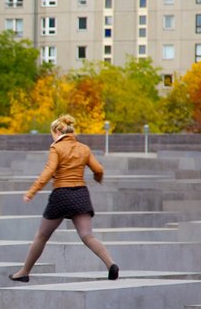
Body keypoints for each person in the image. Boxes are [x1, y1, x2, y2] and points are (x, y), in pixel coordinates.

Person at [10, 115, 119, 282]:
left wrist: (31, 192)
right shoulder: (84, 148)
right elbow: (98, 169)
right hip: (80, 194)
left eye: (52, 134)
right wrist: (98, 178)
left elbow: (48, 172)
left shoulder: (56, 148)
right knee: (87, 236)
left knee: (41, 236)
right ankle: (111, 264)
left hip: (61, 194)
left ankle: (24, 272)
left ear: (57, 131)